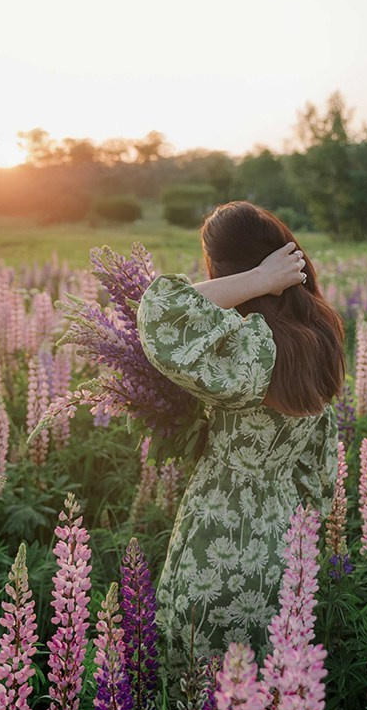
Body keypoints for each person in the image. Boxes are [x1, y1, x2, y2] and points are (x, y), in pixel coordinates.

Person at [135, 200, 346, 667]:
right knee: (268, 703)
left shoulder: (245, 346)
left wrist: (256, 282)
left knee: (196, 690)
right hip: (283, 538)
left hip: (216, 533)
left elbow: (160, 310)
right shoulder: (319, 334)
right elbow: (320, 466)